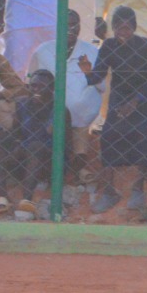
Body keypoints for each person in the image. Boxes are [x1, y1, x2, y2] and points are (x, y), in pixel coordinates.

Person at [83, 6, 147, 213]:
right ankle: (109, 191)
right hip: (120, 97)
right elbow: (97, 76)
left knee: (143, 131)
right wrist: (87, 71)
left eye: (127, 27)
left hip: (145, 97)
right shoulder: (109, 46)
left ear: (134, 27)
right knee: (108, 133)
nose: (123, 32)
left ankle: (138, 187)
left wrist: (135, 102)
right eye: (119, 27)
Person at [29, 10, 103, 173]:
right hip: (50, 113)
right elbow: (32, 82)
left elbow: (102, 85)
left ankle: (77, 165)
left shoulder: (92, 51)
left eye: (74, 25)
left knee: (78, 108)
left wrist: (89, 73)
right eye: (66, 25)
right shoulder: (43, 51)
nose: (71, 29)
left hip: (81, 114)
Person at [0, 68, 68, 214]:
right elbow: (16, 133)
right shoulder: (22, 105)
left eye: (42, 86)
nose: (37, 90)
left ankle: (27, 199)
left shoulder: (59, 109)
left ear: (52, 89)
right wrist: (14, 144)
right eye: (34, 86)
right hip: (24, 155)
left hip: (50, 160)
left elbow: (62, 143)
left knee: (35, 147)